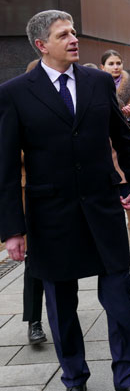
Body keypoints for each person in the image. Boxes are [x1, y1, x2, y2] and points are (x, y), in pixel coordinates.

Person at [0, 10, 130, 391]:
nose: (73, 39)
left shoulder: (99, 82)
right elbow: (3, 167)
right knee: (61, 307)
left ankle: (128, 379)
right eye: (63, 34)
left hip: (102, 209)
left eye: (74, 31)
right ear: (41, 45)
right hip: (50, 217)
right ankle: (74, 379)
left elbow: (122, 138)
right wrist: (13, 230)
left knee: (120, 300)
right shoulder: (14, 93)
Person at [100, 49, 130, 251]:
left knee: (128, 189)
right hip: (102, 146)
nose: (116, 67)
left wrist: (128, 116)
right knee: (110, 193)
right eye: (111, 63)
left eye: (118, 63)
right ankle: (114, 234)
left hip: (123, 146)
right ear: (103, 67)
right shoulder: (95, 85)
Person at [22, 58, 47, 346]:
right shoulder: (18, 104)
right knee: (33, 262)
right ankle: (34, 321)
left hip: (55, 195)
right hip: (28, 193)